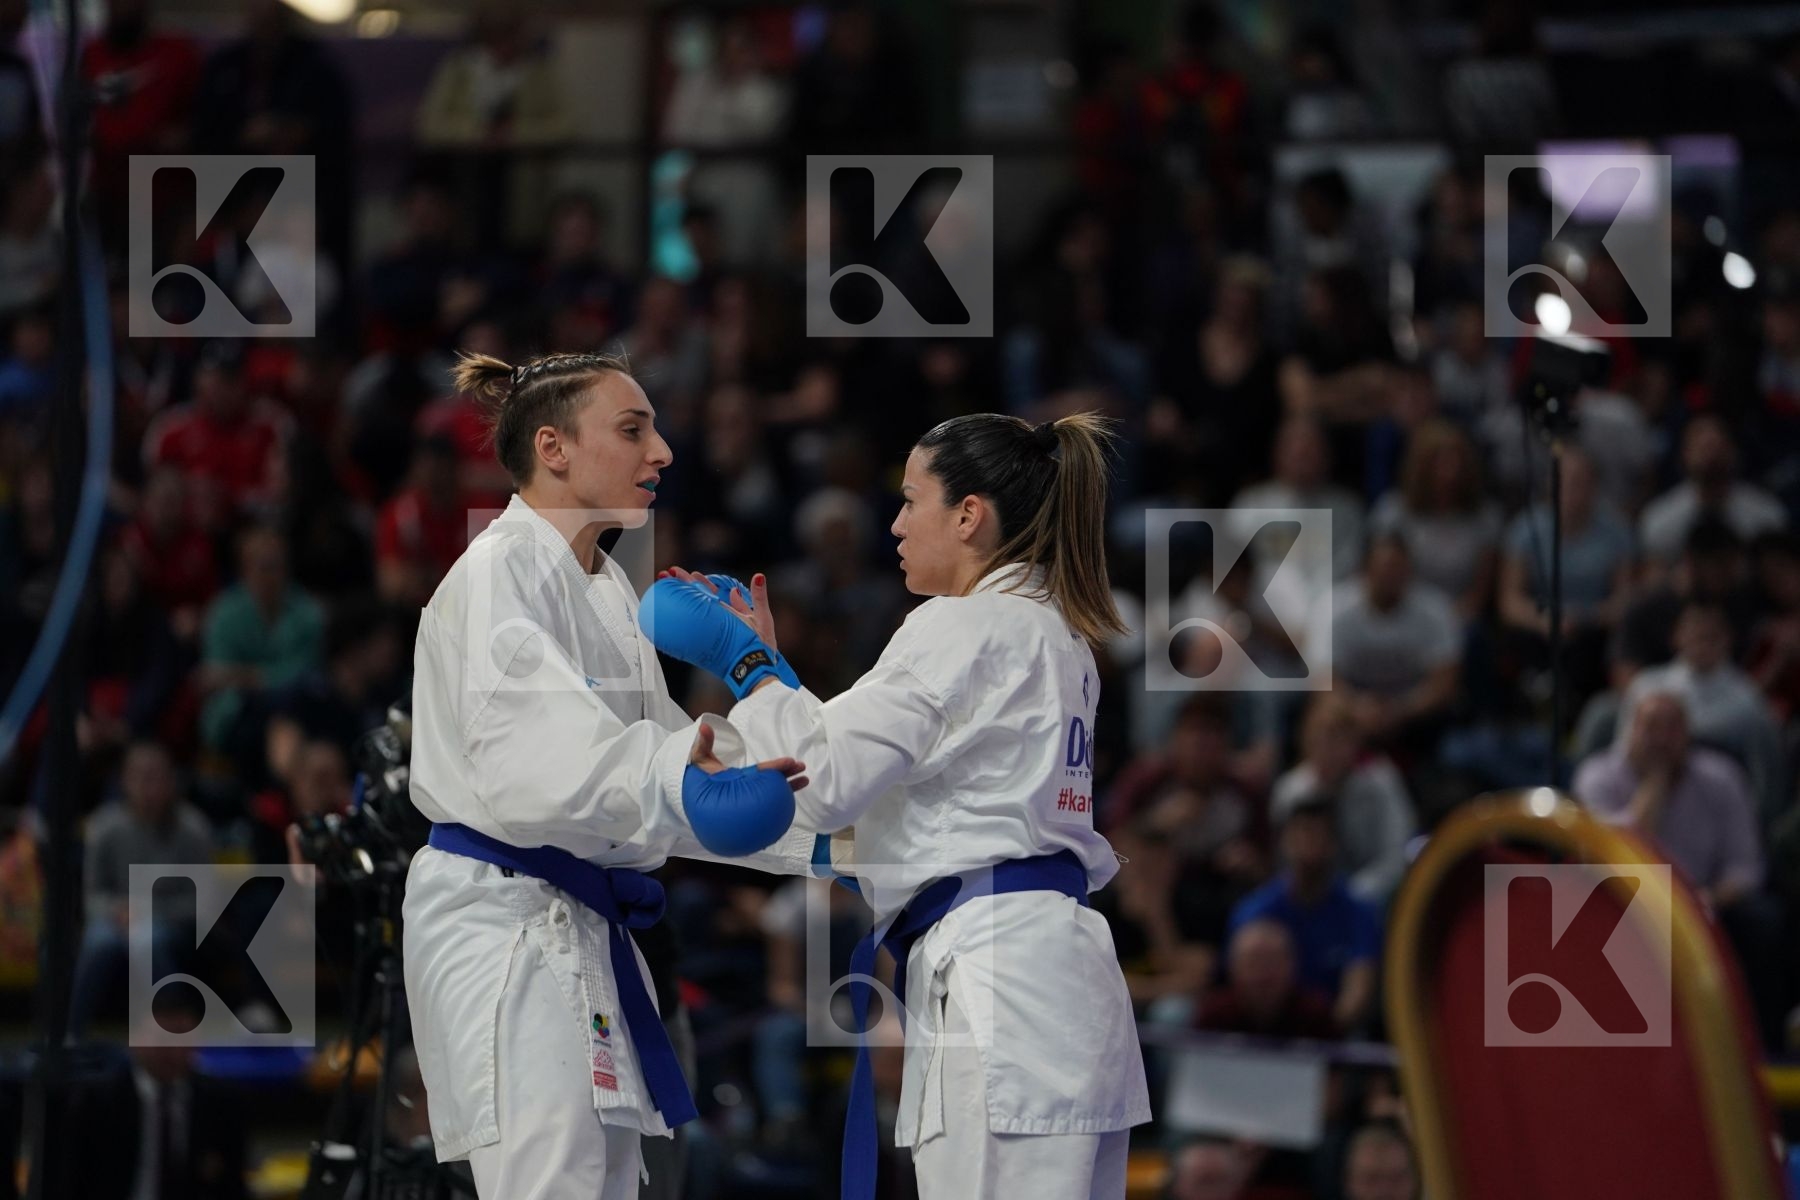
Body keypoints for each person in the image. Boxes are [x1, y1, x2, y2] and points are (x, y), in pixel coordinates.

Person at [641, 412, 1150, 1199]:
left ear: (969, 515)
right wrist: (775, 688)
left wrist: (747, 663)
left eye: (912, 501)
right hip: (1059, 980)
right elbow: (893, 800)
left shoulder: (960, 624)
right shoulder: (1055, 635)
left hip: (1000, 984)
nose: (896, 523)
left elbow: (825, 782)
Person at [398, 350, 815, 1200]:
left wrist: (768, 696)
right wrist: (691, 770)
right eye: (632, 430)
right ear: (553, 448)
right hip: (507, 923)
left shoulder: (607, 588)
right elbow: (544, 767)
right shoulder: (499, 572)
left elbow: (675, 767)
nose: (662, 451)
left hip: (579, 921)